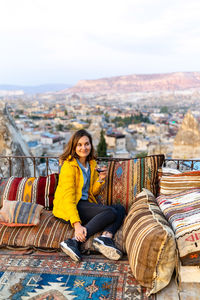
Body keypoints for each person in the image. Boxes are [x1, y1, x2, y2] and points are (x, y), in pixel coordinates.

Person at [53, 129, 126, 262]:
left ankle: (105, 238)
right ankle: (73, 241)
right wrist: (77, 225)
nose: (83, 148)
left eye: (86, 144)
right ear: (74, 147)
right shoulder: (69, 166)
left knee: (119, 208)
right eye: (79, 145)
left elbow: (92, 192)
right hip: (69, 208)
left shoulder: (91, 164)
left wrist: (100, 179)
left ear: (91, 145)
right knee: (110, 212)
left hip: (84, 204)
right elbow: (68, 198)